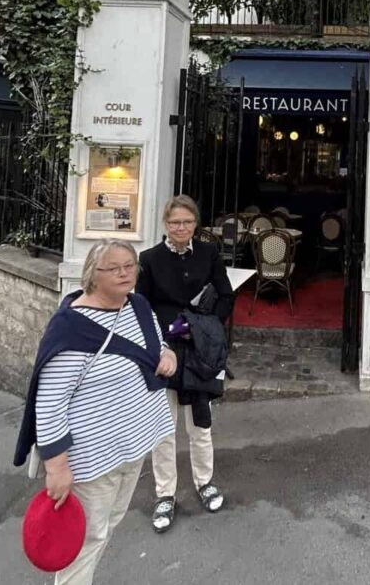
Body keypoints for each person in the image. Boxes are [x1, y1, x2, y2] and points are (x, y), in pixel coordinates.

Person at [14, 240, 177, 585]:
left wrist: (169, 355)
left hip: (135, 445)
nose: (124, 273)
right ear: (92, 274)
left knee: (108, 526)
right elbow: (50, 402)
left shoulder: (139, 306)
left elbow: (156, 344)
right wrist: (56, 467)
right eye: (114, 268)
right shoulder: (71, 327)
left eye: (130, 265)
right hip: (92, 457)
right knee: (87, 539)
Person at [137, 194, 234, 531]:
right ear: (166, 224)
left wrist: (205, 327)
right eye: (175, 222)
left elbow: (226, 295)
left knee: (200, 423)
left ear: (196, 224)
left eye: (188, 222)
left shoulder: (209, 253)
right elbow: (140, 307)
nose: (181, 228)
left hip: (199, 352)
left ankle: (204, 482)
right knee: (163, 428)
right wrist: (159, 339)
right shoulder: (148, 259)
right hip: (164, 351)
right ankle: (165, 494)